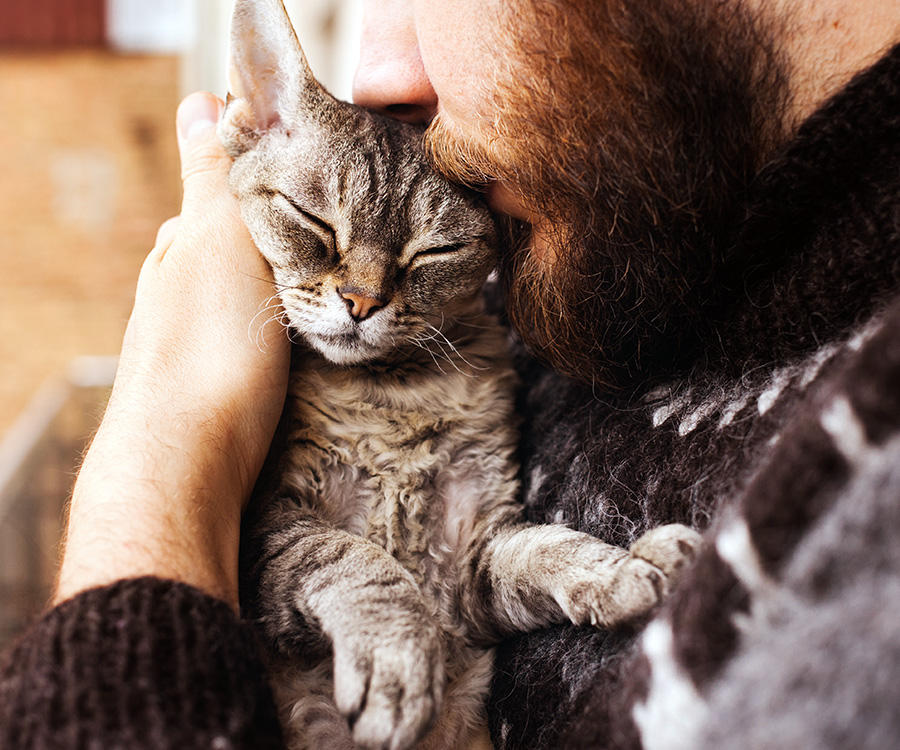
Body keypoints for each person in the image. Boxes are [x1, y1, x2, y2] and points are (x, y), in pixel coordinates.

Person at [3, 0, 900, 747]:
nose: (383, 78)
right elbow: (459, 569)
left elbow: (466, 564)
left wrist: (152, 469)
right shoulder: (550, 246)